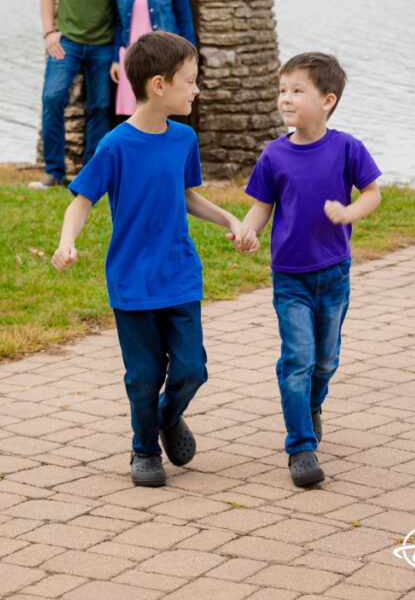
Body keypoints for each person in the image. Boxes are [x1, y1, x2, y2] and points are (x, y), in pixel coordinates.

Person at [51, 31, 259, 487]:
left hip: (179, 274)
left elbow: (186, 196)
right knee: (144, 375)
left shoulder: (183, 138)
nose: (197, 89)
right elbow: (81, 200)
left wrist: (228, 219)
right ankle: (144, 450)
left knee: (192, 369)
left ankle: (167, 418)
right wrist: (67, 241)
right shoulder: (114, 146)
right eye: (191, 80)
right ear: (160, 85)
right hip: (132, 281)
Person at [242, 52, 381, 488]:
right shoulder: (274, 155)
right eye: (283, 90)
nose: (286, 98)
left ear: (327, 100)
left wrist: (349, 211)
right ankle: (301, 446)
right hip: (290, 277)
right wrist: (248, 231)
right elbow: (261, 206)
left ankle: (312, 405)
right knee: (297, 359)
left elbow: (372, 193)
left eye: (297, 91)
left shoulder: (347, 148)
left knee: (325, 360)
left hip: (335, 274)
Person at [30, 0, 127, 189]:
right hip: (66, 42)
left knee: (99, 108)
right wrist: (49, 33)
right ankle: (54, 172)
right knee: (52, 98)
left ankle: (89, 175)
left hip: (103, 43)